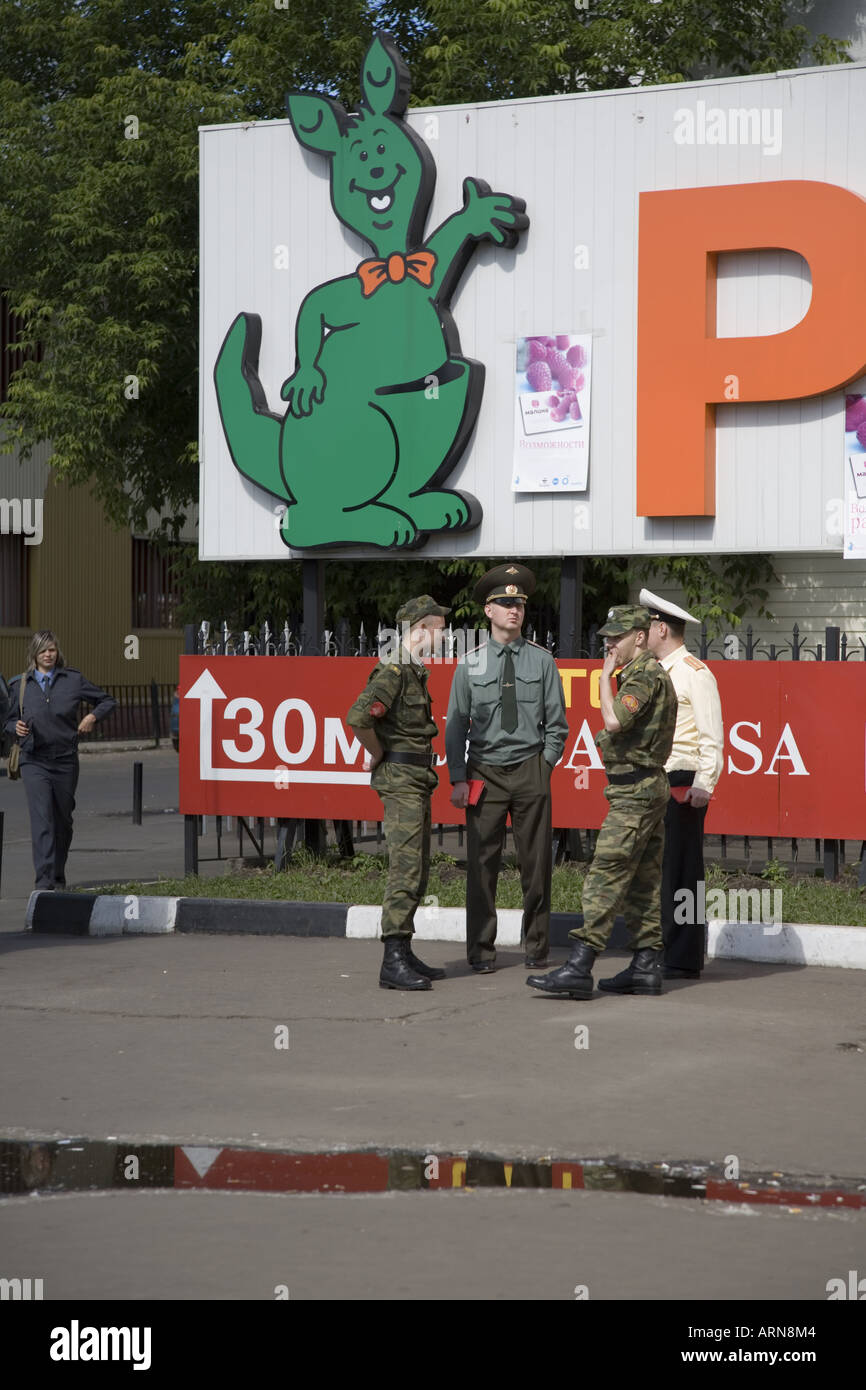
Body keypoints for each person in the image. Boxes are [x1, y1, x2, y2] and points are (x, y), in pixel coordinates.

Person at [527, 604, 677, 999]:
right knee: (643, 880)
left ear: (640, 638)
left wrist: (603, 679)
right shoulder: (643, 674)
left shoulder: (643, 676)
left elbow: (614, 722)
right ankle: (646, 966)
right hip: (642, 789)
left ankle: (580, 964)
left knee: (605, 875)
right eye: (607, 637)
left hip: (635, 793)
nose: (608, 644)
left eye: (617, 637)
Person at [445, 563, 568, 972]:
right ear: (488, 611)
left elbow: (557, 725)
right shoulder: (471, 664)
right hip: (485, 773)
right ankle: (481, 952)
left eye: (519, 603)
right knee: (482, 867)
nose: (514, 610)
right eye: (504, 603)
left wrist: (544, 766)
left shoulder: (542, 662)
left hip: (531, 768)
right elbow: (456, 725)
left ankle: (537, 948)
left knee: (537, 866)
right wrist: (459, 778)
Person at [346, 595, 450, 991]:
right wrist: (377, 754)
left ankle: (403, 950)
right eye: (439, 629)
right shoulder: (394, 670)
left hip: (416, 780)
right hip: (401, 780)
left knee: (418, 867)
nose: (444, 636)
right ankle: (391, 960)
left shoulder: (413, 670)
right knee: (405, 869)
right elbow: (359, 717)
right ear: (421, 629)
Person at [640, 587, 724, 980]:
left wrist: (704, 784)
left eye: (648, 625)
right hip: (657, 777)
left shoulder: (694, 673)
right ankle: (663, 948)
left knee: (682, 869)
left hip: (683, 780)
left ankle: (683, 956)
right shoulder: (653, 671)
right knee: (659, 868)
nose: (643, 633)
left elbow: (712, 737)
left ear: (661, 628)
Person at [3, 631, 117, 891]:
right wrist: (14, 727)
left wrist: (92, 717)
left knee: (62, 821)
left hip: (65, 760)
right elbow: (6, 721)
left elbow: (108, 701)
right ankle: (44, 883)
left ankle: (57, 873)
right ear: (34, 654)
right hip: (34, 760)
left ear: (57, 652)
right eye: (43, 650)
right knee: (42, 820)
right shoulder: (20, 685)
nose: (48, 654)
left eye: (52, 650)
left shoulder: (72, 680)